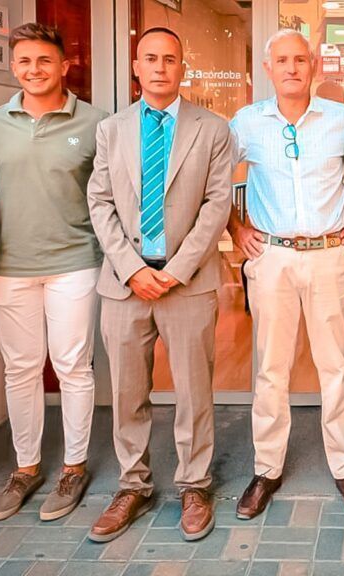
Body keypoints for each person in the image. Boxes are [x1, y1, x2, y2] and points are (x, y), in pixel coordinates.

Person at [85, 27, 232, 543]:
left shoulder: (212, 128)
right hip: (125, 282)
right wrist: (131, 268)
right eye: (151, 58)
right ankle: (133, 484)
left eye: (170, 59)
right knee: (128, 392)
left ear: (182, 67)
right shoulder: (112, 129)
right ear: (136, 67)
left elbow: (218, 204)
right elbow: (99, 202)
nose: (160, 67)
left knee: (194, 391)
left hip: (186, 281)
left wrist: (176, 270)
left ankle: (195, 484)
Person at [0, 23, 109, 523]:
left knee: (73, 367)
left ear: (64, 66)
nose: (34, 70)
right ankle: (25, 468)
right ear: (13, 67)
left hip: (76, 261)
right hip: (10, 264)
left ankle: (73, 467)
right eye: (24, 61)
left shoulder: (95, 123)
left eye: (44, 60)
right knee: (21, 369)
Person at [227, 29, 344, 522]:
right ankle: (266, 469)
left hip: (329, 255)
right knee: (271, 369)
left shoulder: (342, 121)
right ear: (267, 68)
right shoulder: (247, 122)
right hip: (272, 258)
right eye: (282, 60)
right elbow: (211, 178)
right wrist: (235, 227)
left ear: (314, 66)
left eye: (300, 59)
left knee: (337, 367)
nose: (292, 68)